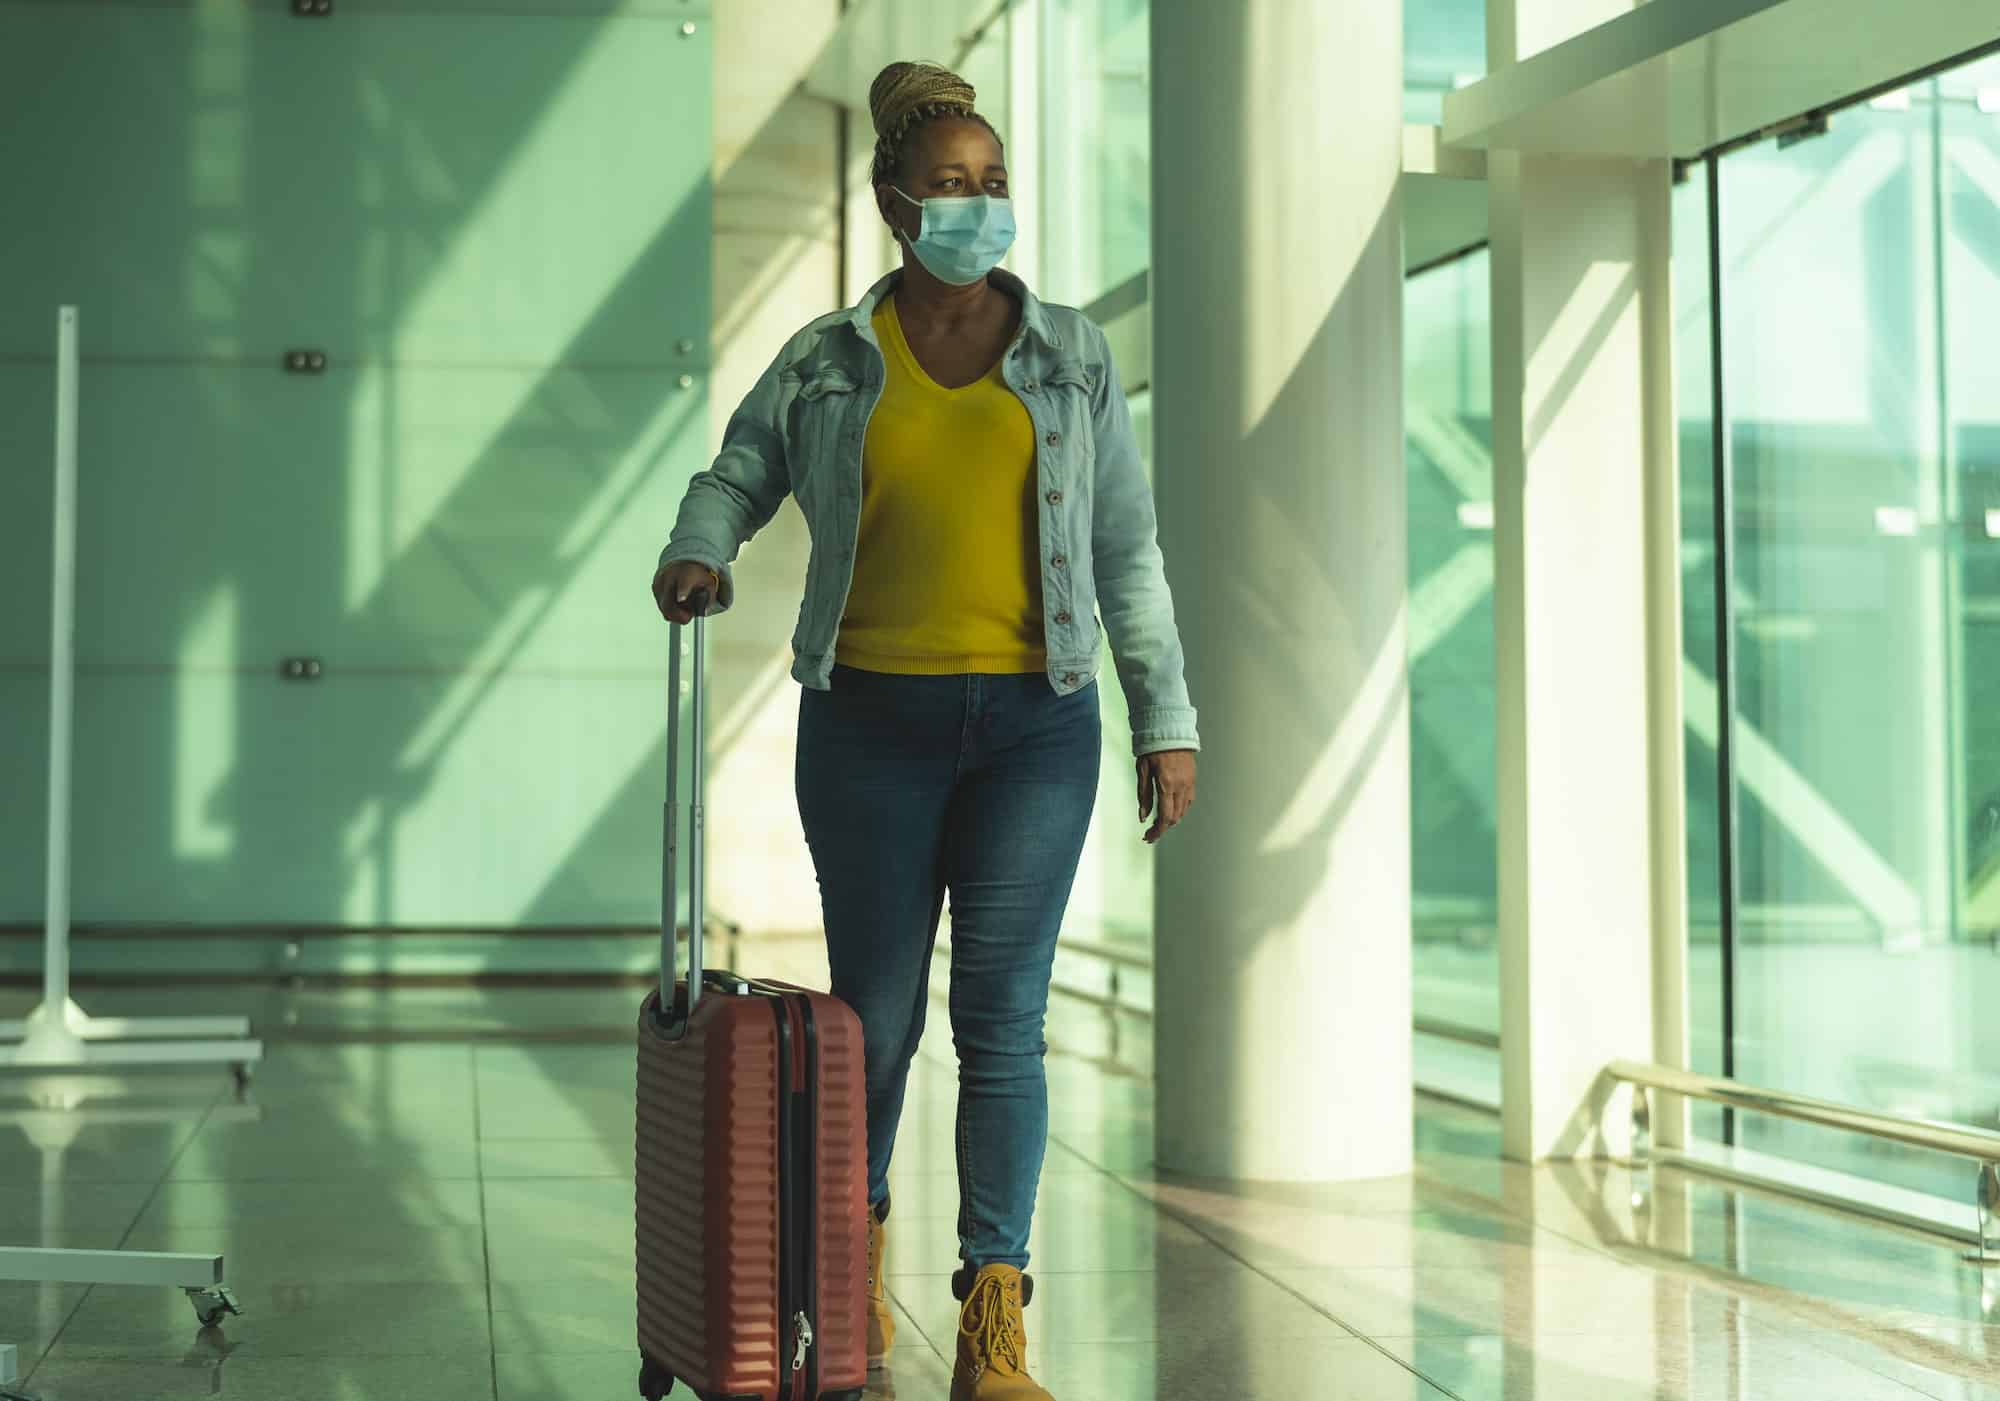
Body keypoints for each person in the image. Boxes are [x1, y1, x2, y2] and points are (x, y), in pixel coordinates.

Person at [651, 59, 1199, 1401]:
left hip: (1036, 726)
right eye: (951, 184)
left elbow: (1125, 551)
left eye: (994, 181)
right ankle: (850, 1267)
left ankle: (995, 1311)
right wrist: (698, 549)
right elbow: (739, 469)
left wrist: (1163, 717)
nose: (977, 204)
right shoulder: (832, 358)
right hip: (870, 724)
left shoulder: (1074, 352)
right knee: (873, 1026)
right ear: (897, 202)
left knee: (1005, 1020)